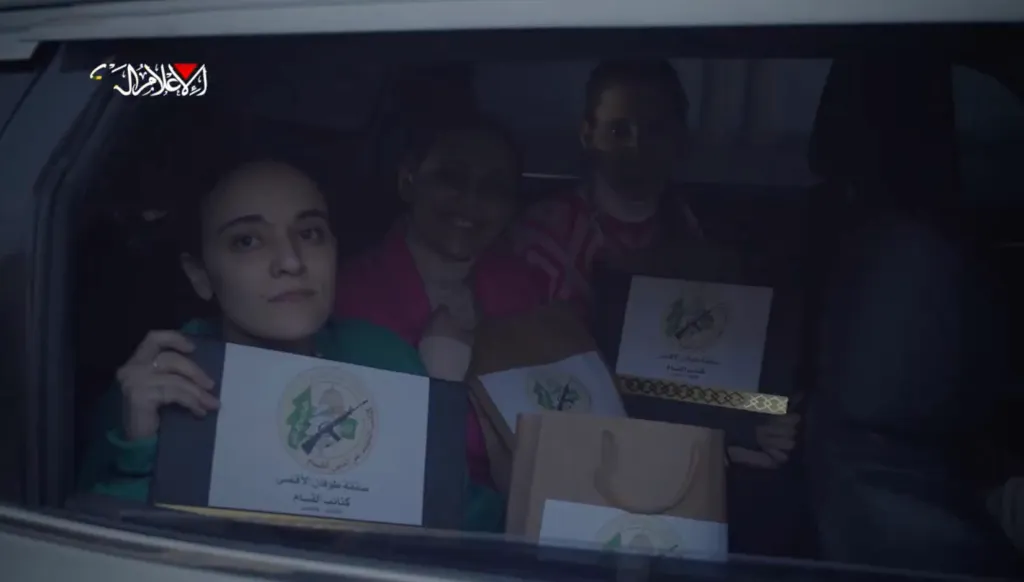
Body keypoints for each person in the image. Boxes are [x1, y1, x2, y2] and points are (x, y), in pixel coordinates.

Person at [78, 161, 427, 508]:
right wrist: (141, 455)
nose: (291, 261)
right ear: (199, 274)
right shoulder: (158, 382)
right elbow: (93, 541)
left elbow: (447, 514)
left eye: (309, 233)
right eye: (247, 241)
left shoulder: (385, 359)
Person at [513, 60, 798, 471]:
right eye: (619, 129)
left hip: (677, 444)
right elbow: (531, 370)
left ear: (679, 139)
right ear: (587, 133)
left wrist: (762, 418)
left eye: (654, 130)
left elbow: (711, 370)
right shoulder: (542, 237)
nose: (636, 145)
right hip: (573, 442)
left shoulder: (695, 233)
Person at [334, 115, 547, 531]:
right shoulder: (350, 294)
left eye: (493, 186)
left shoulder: (522, 286)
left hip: (525, 521)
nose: (470, 200)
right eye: (451, 177)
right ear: (408, 182)